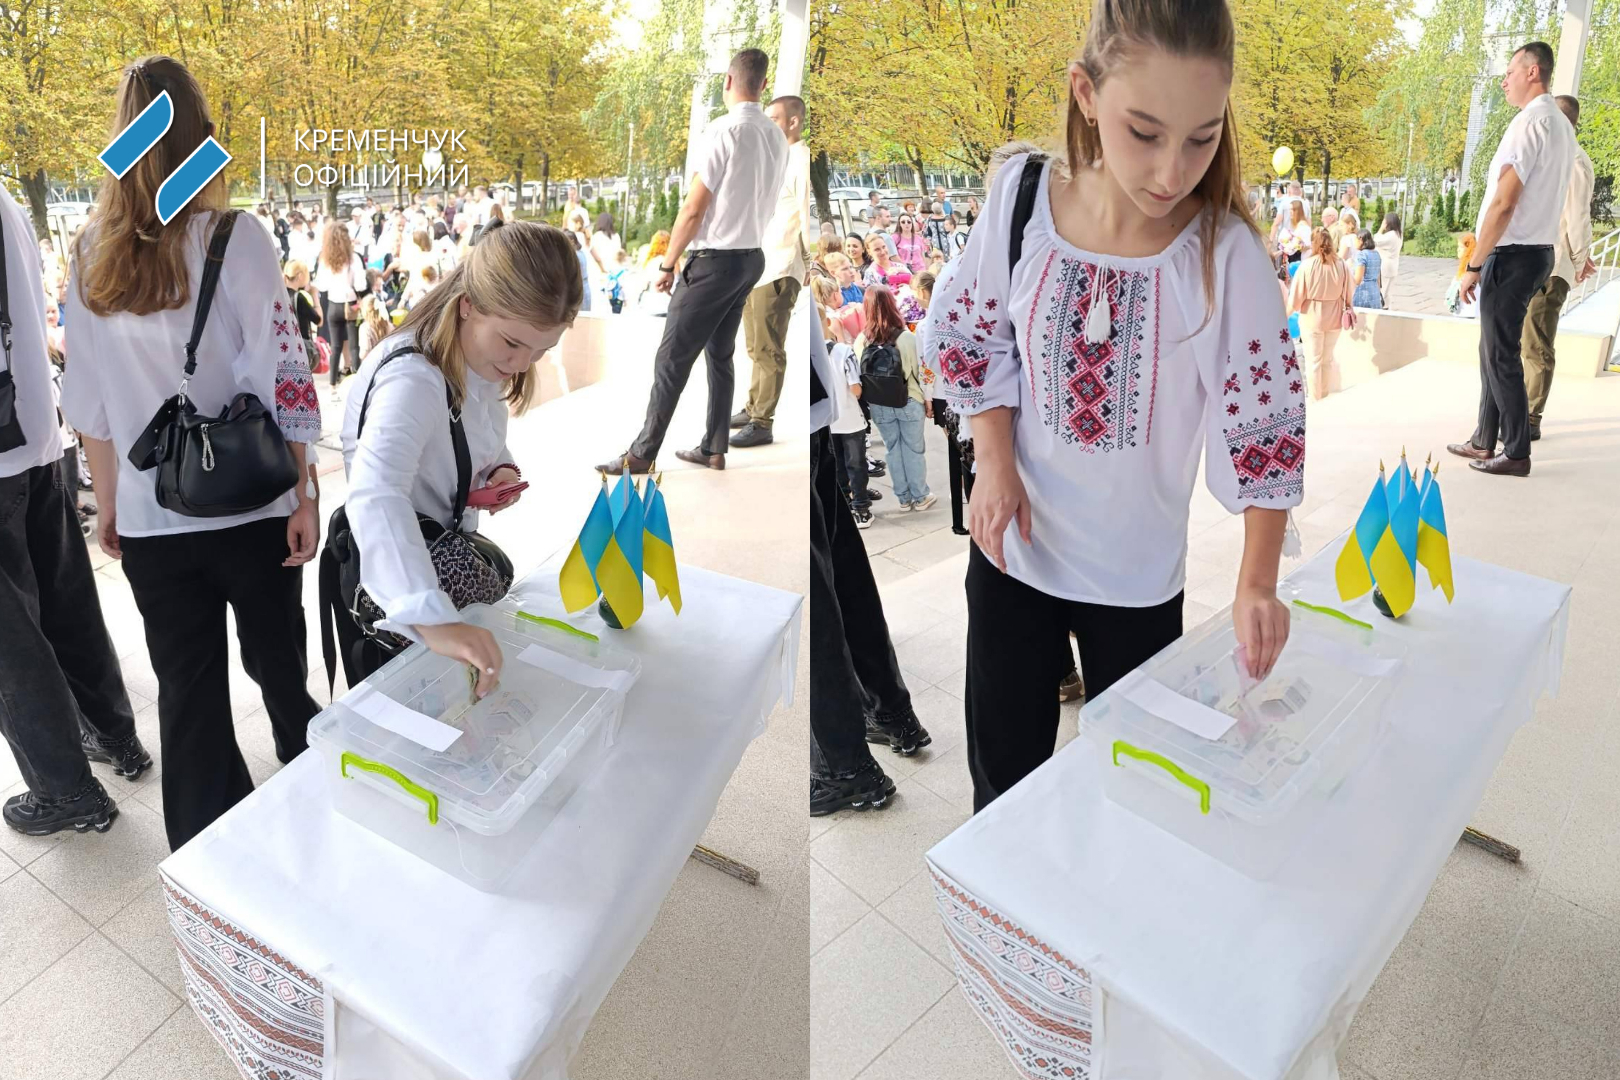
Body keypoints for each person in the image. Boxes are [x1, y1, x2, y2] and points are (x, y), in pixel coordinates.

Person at [930, 0, 1304, 812]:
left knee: (1136, 795)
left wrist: (1257, 584)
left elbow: (1266, 428)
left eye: (1202, 138)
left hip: (1136, 583)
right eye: (1145, 132)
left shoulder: (1224, 254)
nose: (1172, 172)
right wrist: (994, 461)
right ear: (1086, 93)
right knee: (1002, 789)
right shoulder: (1021, 199)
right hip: (1012, 556)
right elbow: (973, 336)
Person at [62, 55, 323, 851]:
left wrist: (111, 506)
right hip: (255, 505)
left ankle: (217, 864)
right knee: (281, 668)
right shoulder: (237, 239)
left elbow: (90, 405)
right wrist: (306, 493)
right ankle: (318, 806)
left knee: (188, 694)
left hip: (153, 519)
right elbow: (283, 377)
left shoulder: (89, 253)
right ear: (202, 139)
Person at [326, 221, 578, 687]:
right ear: (468, 305)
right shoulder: (413, 378)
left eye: (542, 350)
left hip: (437, 558)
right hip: (397, 579)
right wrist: (432, 619)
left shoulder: (477, 355)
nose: (521, 364)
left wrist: (498, 468)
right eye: (512, 343)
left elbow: (473, 431)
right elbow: (377, 493)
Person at [1, 174, 149, 837]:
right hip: (37, 432)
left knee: (11, 643)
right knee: (67, 604)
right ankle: (113, 734)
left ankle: (66, 790)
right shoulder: (6, 198)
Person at [598, 49, 788, 475]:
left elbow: (692, 209)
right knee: (720, 355)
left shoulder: (723, 130)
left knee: (671, 360)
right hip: (750, 258)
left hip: (714, 262)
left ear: (728, 81)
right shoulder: (775, 136)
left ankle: (641, 454)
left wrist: (667, 265)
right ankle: (714, 448)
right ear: (763, 83)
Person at [808, 297, 931, 816]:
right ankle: (892, 714)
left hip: (804, 417)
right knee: (845, 574)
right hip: (814, 414)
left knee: (821, 597)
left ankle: (846, 768)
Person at [1447, 41, 1575, 477]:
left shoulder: (1530, 123)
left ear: (1532, 72)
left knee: (1501, 353)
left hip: (1514, 253)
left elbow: (1504, 203)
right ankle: (1485, 439)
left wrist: (1474, 264)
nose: (1504, 81)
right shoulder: (1561, 125)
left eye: (1510, 72)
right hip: (1537, 252)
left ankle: (1516, 451)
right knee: (1493, 346)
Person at [732, 95, 814, 450]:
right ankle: (753, 407)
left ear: (793, 122)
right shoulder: (776, 158)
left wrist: (808, 262)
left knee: (768, 347)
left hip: (781, 265)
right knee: (755, 345)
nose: (767, 125)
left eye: (774, 119)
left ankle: (762, 421)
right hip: (759, 264)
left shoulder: (801, 160)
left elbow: (806, 215)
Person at [1522, 94, 1597, 442]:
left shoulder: (1575, 160)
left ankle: (1530, 418)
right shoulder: (1557, 156)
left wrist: (1579, 260)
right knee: (1527, 341)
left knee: (1537, 344)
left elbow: (1578, 216)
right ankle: (1520, 413)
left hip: (1553, 266)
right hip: (1537, 261)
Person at [855, 285, 933, 511]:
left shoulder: (862, 340)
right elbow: (922, 371)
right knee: (914, 449)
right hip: (908, 399)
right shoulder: (906, 337)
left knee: (892, 449)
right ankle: (921, 496)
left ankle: (903, 498)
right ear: (892, 305)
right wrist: (928, 399)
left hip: (879, 404)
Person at [1288, 227, 1352, 399]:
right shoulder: (1341, 265)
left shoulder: (1307, 266)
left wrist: (1284, 316)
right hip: (1335, 317)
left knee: (1313, 362)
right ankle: (1324, 397)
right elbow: (1349, 293)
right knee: (1326, 361)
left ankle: (1316, 400)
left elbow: (1295, 299)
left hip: (1312, 318)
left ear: (1313, 243)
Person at [314, 220, 368, 398]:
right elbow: (360, 284)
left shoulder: (325, 259)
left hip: (333, 304)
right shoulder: (354, 259)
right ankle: (358, 383)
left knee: (335, 346)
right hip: (350, 305)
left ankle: (332, 385)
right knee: (354, 346)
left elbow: (321, 285)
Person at [1446, 232, 1481, 319]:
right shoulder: (1464, 265)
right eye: (1458, 247)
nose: (1458, 250)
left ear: (1469, 249)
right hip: (1462, 307)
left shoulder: (1471, 267)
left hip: (1467, 308)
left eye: (1461, 247)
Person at [1373, 211, 1402, 300]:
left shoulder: (1390, 235)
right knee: (1388, 292)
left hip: (1385, 266)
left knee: (1383, 290)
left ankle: (1382, 306)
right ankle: (1387, 306)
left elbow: (1376, 240)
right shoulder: (1398, 234)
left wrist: (1381, 228)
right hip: (1393, 265)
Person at [1351, 228, 1383, 309]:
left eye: (1355, 240)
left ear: (1360, 240)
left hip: (1363, 293)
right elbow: (1378, 277)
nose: (1354, 243)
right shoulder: (1376, 254)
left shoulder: (1361, 255)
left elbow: (1358, 280)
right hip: (1375, 291)